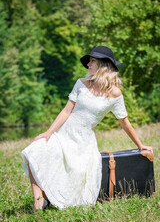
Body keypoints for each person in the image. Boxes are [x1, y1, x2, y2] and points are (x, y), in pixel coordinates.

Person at [21, 46, 153, 211]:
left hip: (83, 141)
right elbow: (66, 110)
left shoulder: (115, 93)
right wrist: (48, 133)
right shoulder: (81, 83)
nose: (88, 64)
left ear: (103, 65)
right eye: (89, 61)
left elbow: (124, 122)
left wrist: (140, 146)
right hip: (63, 134)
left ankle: (47, 199)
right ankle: (38, 203)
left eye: (92, 61)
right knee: (34, 151)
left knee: (74, 174)